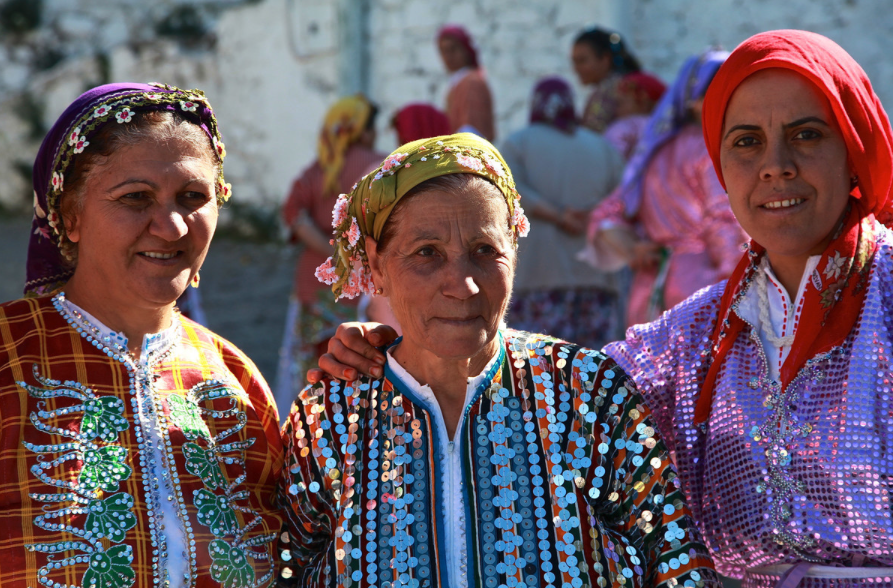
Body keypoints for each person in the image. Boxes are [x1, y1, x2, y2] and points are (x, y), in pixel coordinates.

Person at [316, 30, 893, 587]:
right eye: (746, 141)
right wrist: (407, 350)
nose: (775, 165)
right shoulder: (693, 335)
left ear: (856, 146)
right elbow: (561, 390)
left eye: (808, 134)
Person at [278, 132, 719, 587]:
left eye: (485, 251)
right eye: (426, 253)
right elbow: (287, 568)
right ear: (376, 265)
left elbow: (677, 558)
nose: (463, 284)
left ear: (513, 249)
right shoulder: (329, 416)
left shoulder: (588, 392)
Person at [0, 83, 284, 587]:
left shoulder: (234, 378)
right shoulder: (9, 355)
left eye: (194, 197)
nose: (173, 227)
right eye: (136, 198)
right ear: (71, 216)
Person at [583, 50, 747, 327]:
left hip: (650, 292)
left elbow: (606, 214)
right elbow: (725, 222)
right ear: (697, 101)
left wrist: (633, 248)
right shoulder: (709, 151)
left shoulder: (654, 153)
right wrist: (742, 287)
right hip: (703, 289)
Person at [276, 95, 384, 419]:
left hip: (314, 281)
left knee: (311, 367)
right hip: (360, 284)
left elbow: (293, 215)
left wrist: (330, 250)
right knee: (359, 360)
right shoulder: (379, 165)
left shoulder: (319, 168)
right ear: (362, 131)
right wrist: (351, 255)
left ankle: (309, 429)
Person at [500, 76, 626, 348]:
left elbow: (510, 190)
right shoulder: (602, 148)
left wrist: (559, 217)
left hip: (537, 277)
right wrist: (588, 215)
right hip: (596, 278)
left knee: (539, 371)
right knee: (592, 372)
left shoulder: (517, 144)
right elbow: (620, 198)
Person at [572, 27, 641, 133]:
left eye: (582, 61)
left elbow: (593, 135)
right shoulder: (622, 83)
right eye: (574, 62)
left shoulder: (610, 90)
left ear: (605, 59)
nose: (576, 69)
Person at [437, 25, 496, 141]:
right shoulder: (458, 82)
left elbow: (471, 132)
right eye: (444, 51)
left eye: (453, 49)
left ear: (466, 50)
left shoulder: (471, 82)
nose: (448, 56)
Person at [604, 72, 667, 160]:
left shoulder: (623, 130)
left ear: (643, 102)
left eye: (620, 103)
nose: (616, 111)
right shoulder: (671, 132)